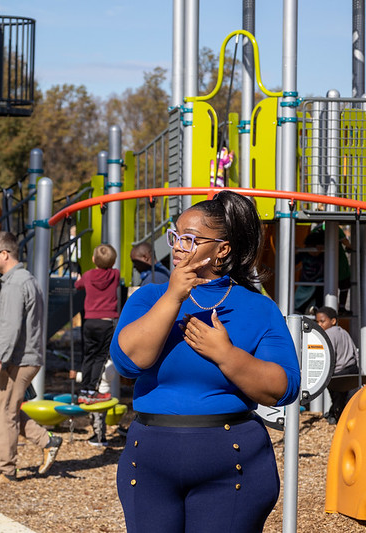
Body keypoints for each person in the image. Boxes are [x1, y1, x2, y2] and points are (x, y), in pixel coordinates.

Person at [110, 190, 300, 532]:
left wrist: (226, 355)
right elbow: (128, 362)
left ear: (222, 249)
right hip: (149, 463)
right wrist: (172, 296)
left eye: (190, 238)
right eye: (175, 236)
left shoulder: (258, 307)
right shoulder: (149, 297)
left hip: (234, 465)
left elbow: (282, 389)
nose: (178, 245)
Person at [0, 231, 62, 483]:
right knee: (3, 409)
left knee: (4, 413)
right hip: (24, 356)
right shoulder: (26, 279)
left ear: (5, 253)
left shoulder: (15, 283)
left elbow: (9, 327)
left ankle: (7, 471)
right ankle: (47, 441)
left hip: (18, 359)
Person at [74, 244, 119, 408]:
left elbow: (77, 285)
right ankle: (93, 391)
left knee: (88, 355)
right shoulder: (115, 274)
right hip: (106, 322)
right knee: (100, 357)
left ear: (93, 259)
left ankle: (84, 390)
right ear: (113, 262)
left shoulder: (87, 276)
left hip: (90, 321)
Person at [314, 306, 360, 424]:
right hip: (352, 369)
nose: (319, 324)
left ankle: (335, 418)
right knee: (348, 399)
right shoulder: (344, 331)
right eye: (317, 321)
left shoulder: (327, 335)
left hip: (337, 373)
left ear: (333, 321)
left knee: (337, 399)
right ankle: (342, 417)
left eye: (322, 321)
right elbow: (355, 351)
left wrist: (326, 375)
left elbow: (330, 357)